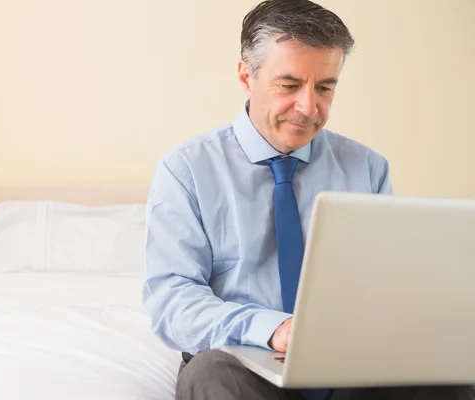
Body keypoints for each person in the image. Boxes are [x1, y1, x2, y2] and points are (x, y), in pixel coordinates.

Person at [142, 1, 475, 399]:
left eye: (325, 87)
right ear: (246, 77)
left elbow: (384, 287)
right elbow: (172, 301)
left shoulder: (367, 168)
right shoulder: (186, 170)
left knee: (448, 374)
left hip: (344, 367)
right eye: (289, 85)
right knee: (209, 373)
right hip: (241, 360)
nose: (309, 107)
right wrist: (274, 330)